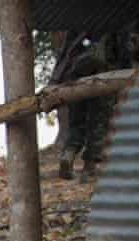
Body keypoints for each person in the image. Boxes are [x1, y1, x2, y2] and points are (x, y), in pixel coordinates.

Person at [52, 32, 128, 182]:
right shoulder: (116, 24)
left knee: (77, 124)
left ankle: (68, 154)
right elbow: (125, 56)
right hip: (104, 78)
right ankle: (88, 170)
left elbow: (65, 55)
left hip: (75, 79)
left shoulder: (79, 26)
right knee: (98, 125)